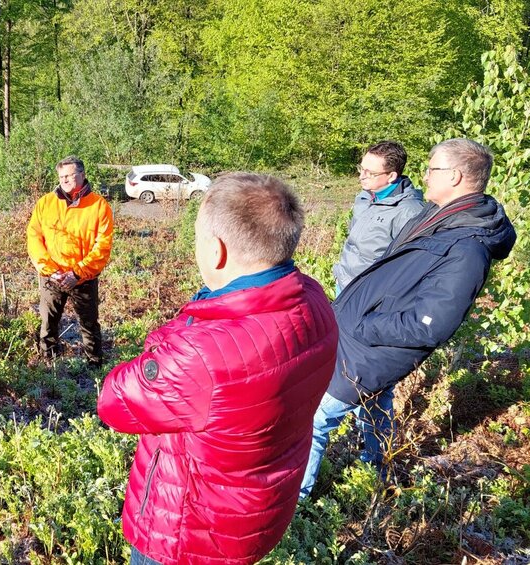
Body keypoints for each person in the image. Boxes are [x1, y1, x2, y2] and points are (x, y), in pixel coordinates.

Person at [98, 173, 338, 565]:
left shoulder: (200, 353)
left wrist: (179, 331)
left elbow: (114, 401)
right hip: (254, 514)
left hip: (187, 532)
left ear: (217, 251)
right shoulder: (312, 300)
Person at [300, 138, 516, 498]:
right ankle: (375, 472)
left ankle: (296, 502)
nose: (425, 176)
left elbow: (431, 323)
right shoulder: (438, 216)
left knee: (315, 419)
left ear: (457, 176)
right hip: (364, 335)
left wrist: (363, 324)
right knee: (375, 403)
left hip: (374, 344)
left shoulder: (467, 247)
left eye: (432, 169)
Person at [26, 156, 114, 366]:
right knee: (49, 322)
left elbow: (102, 246)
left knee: (89, 324)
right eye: (61, 176)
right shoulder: (46, 203)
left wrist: (77, 274)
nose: (64, 179)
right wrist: (51, 270)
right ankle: (49, 364)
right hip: (52, 277)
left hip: (83, 279)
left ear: (82, 175)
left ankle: (94, 365)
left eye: (69, 175)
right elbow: (34, 237)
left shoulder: (99, 206)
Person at [333, 141, 424, 292]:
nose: (362, 176)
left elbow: (410, 265)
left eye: (370, 173)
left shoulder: (409, 212)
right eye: (361, 169)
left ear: (391, 176)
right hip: (344, 283)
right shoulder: (365, 196)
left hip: (369, 293)